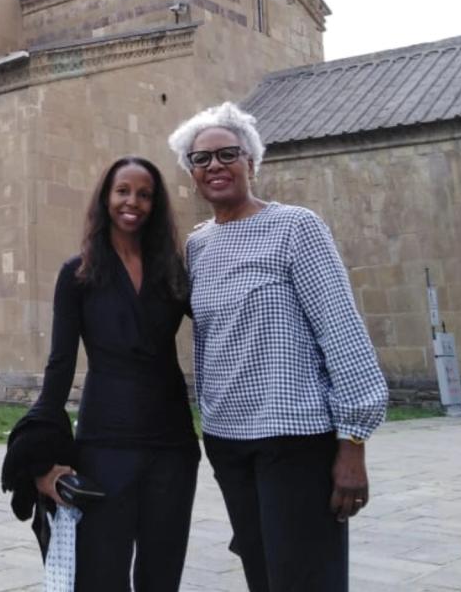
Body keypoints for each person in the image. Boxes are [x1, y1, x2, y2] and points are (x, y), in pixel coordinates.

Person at [167, 101, 388, 592]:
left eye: (227, 153)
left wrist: (353, 442)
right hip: (226, 439)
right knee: (262, 575)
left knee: (305, 577)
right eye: (200, 160)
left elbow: (341, 329)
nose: (214, 166)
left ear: (252, 160)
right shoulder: (198, 246)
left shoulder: (296, 227)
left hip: (293, 436)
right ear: (191, 174)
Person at [3, 156, 199, 590]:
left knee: (162, 577)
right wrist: (42, 455)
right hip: (105, 444)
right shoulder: (77, 274)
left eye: (145, 194)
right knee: (101, 576)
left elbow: (223, 324)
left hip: (173, 445)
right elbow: (60, 364)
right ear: (106, 198)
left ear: (157, 204)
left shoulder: (173, 271)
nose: (133, 202)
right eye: (123, 191)